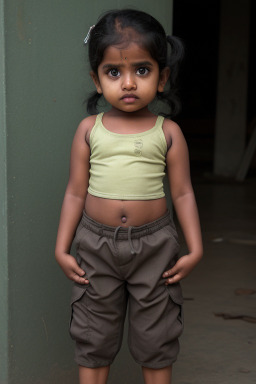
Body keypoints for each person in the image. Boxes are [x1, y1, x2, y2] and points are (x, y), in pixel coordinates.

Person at [55, 9, 203, 384]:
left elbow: (183, 193)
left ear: (163, 76)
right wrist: (62, 247)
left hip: (155, 247)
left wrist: (195, 247)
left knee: (157, 333)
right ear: (96, 78)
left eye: (142, 70)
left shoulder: (168, 132)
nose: (128, 83)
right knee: (92, 332)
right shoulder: (89, 130)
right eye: (113, 72)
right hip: (95, 246)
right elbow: (75, 192)